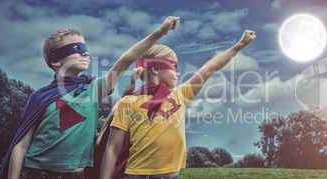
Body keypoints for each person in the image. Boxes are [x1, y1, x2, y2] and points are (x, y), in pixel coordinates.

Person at [0, 16, 180, 179]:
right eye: (75, 48)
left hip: (78, 175)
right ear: (56, 61)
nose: (85, 52)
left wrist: (160, 32)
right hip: (37, 173)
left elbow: (126, 59)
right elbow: (22, 144)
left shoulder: (94, 89)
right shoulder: (39, 97)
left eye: (85, 48)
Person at [99, 29, 256, 179]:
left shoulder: (181, 94)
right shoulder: (128, 102)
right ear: (155, 69)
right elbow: (112, 149)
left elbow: (210, 67)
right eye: (174, 66)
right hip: (137, 175)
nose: (179, 73)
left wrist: (240, 44)